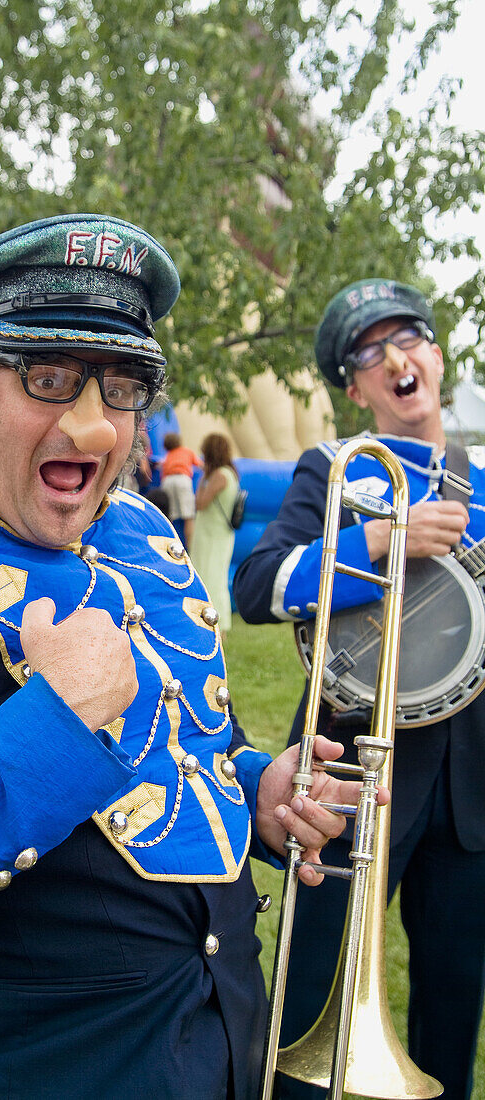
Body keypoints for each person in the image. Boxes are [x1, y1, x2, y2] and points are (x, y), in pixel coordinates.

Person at [0, 216, 383, 1100]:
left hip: (231, 1029)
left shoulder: (143, 530)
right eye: (49, 378)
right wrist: (60, 721)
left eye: (122, 387)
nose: (95, 428)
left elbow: (190, 746)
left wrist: (257, 787)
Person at [234, 278, 485, 1099]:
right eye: (369, 354)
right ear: (354, 387)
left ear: (436, 355)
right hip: (355, 766)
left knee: (455, 998)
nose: (395, 360)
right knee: (311, 989)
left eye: (407, 337)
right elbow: (256, 584)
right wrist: (381, 537)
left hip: (474, 778)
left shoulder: (479, 480)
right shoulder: (334, 469)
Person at [191, 432, 240, 638]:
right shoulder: (230, 473)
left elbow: (200, 503)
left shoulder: (220, 475)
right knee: (214, 577)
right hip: (216, 534)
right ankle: (214, 624)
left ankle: (217, 625)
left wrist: (203, 477)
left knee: (211, 579)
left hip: (212, 535)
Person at [159, 430, 202, 546]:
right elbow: (200, 464)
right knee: (189, 515)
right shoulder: (187, 451)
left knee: (170, 515)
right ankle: (190, 546)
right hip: (182, 479)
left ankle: (169, 545)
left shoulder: (167, 456)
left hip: (167, 481)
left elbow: (161, 469)